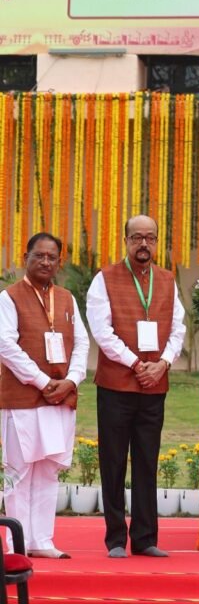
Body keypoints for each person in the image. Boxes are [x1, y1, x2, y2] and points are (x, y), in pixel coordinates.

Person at [87, 215, 186, 558]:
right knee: (113, 461)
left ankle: (145, 538)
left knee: (147, 461)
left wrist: (163, 363)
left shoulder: (168, 279)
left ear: (157, 241)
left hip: (154, 386)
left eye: (150, 237)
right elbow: (102, 331)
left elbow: (178, 328)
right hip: (116, 386)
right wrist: (135, 364)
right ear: (125, 240)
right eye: (137, 237)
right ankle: (116, 538)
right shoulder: (104, 278)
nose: (144, 244)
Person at [0, 232, 89, 559]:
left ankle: (42, 540)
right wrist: (42, 382)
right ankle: (18, 544)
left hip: (60, 397)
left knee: (48, 469)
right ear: (26, 257)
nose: (46, 262)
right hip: (23, 398)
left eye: (52, 257)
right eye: (39, 255)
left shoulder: (66, 298)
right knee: (19, 471)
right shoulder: (8, 298)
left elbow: (82, 343)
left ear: (59, 262)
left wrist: (72, 380)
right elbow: (6, 345)